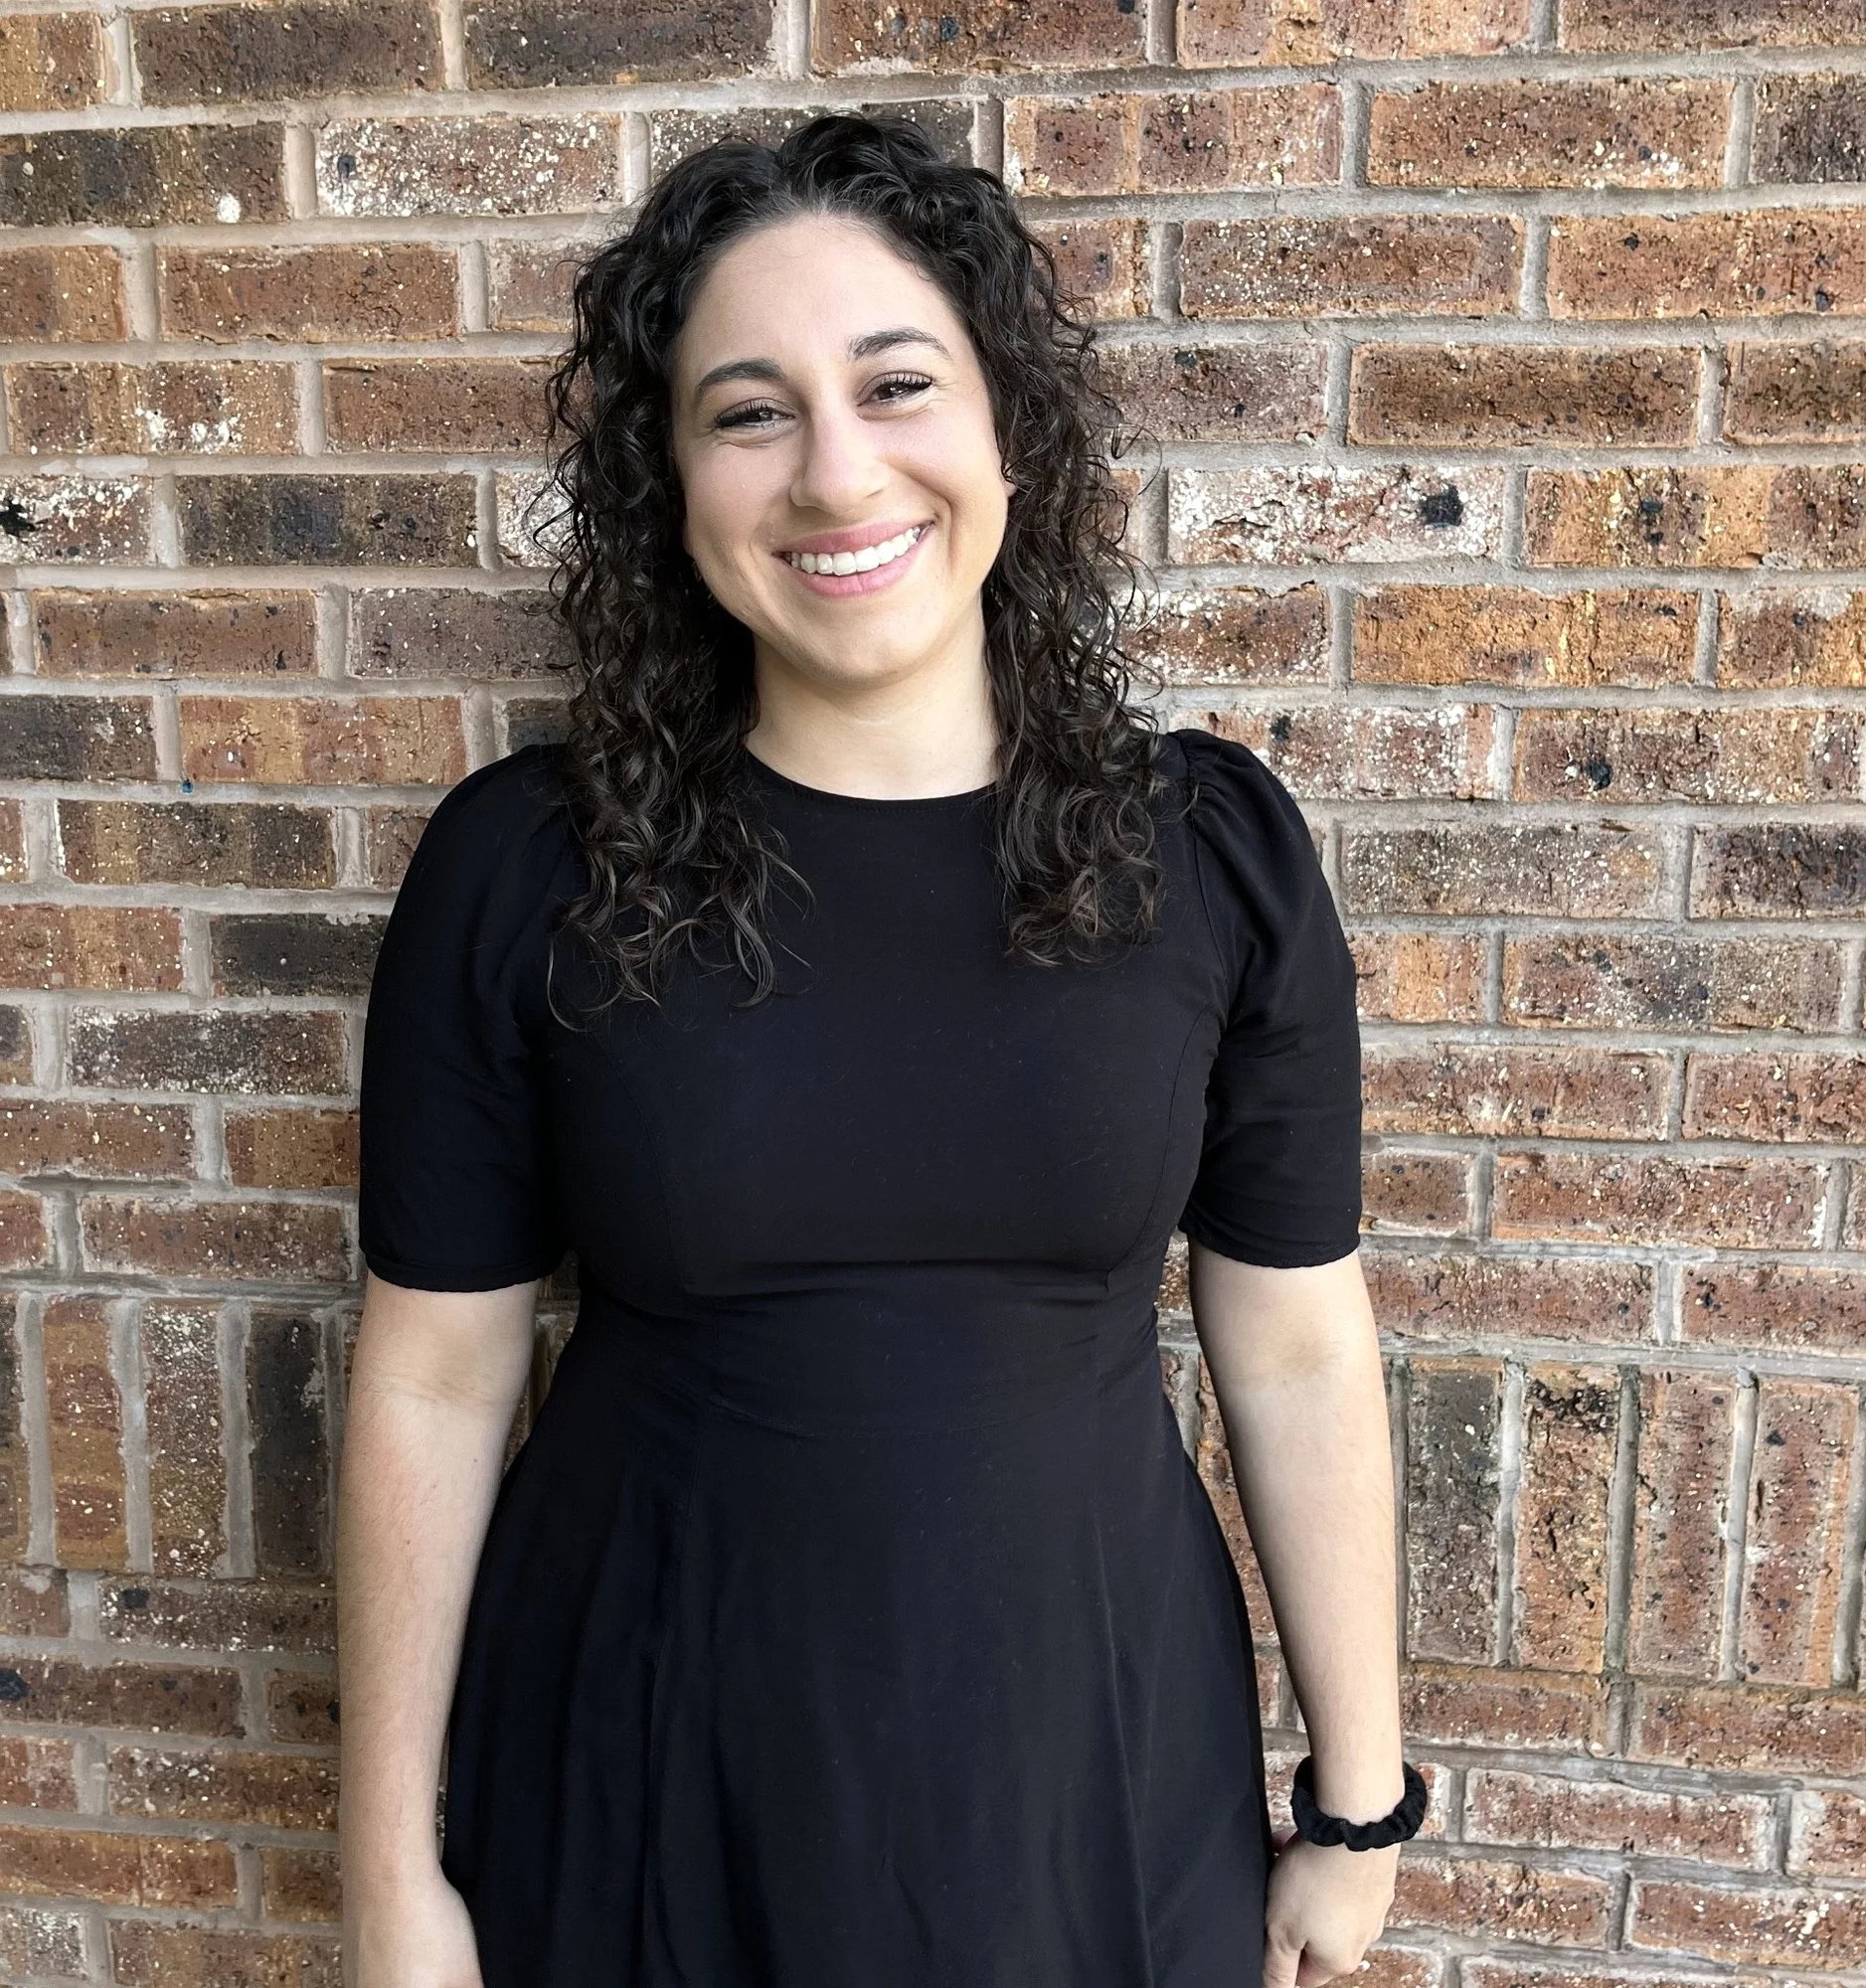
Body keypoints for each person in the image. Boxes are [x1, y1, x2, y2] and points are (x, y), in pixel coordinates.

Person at [334, 112, 1414, 1988]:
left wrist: (1357, 1797)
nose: (839, 474)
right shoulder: (526, 866)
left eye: (897, 384)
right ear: (670, 483)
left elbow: (1301, 1335)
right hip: (646, 1762)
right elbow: (432, 1378)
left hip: (1091, 1764)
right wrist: (389, 1873)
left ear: (1005, 428)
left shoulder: (1212, 852)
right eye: (749, 411)